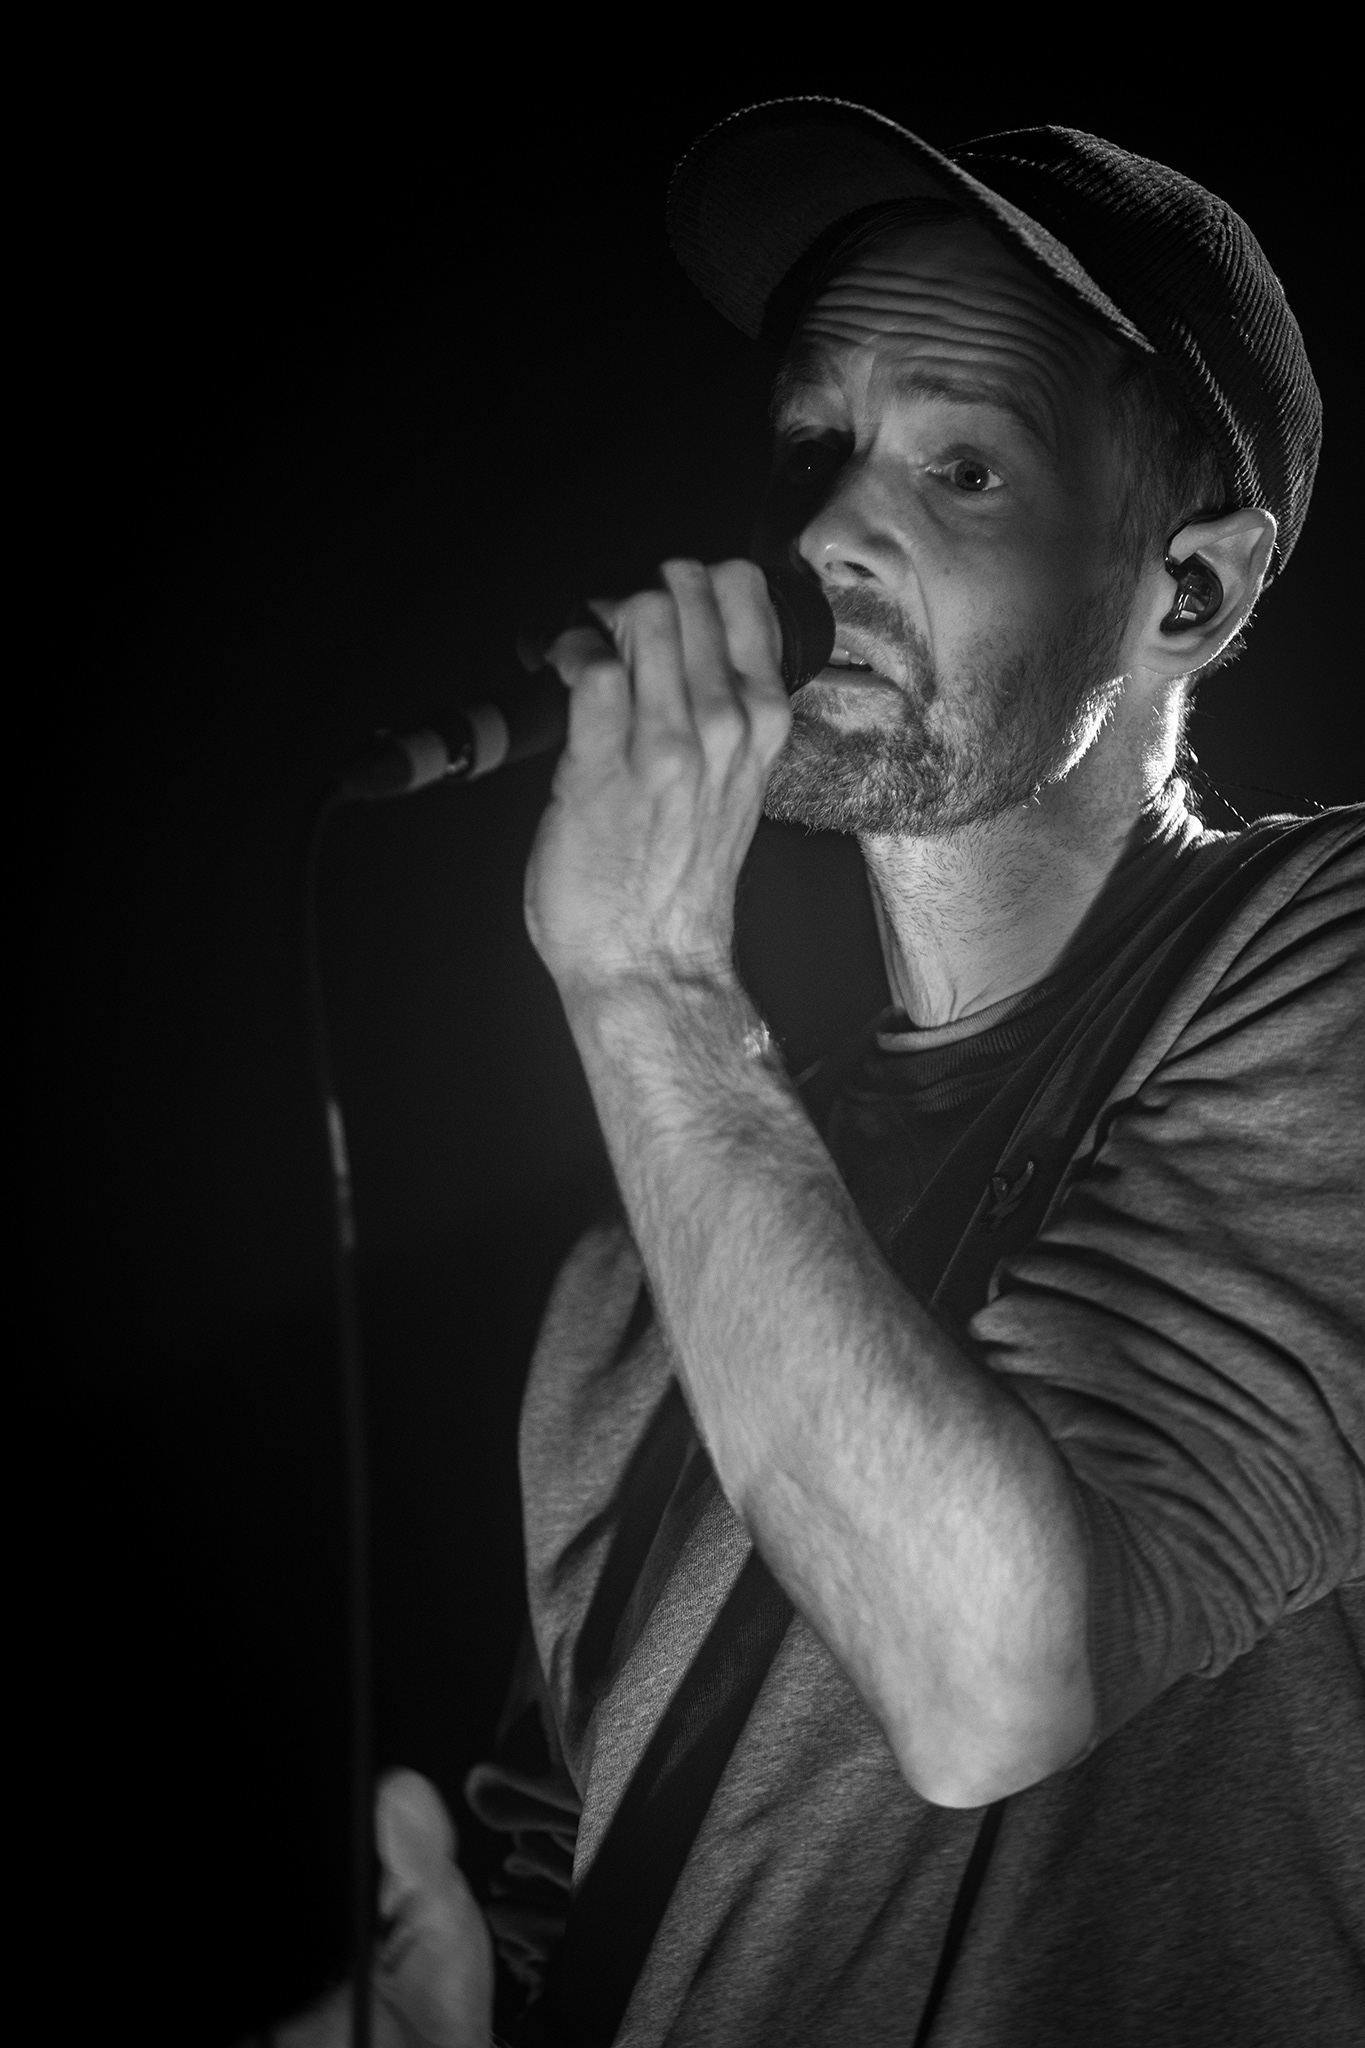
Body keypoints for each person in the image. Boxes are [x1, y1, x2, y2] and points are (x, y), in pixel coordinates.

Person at [276, 101, 1363, 2047]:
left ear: (1185, 590)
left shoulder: (1325, 954)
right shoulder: (651, 1256)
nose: (825, 534)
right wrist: (456, 2007)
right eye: (810, 449)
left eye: (961, 466)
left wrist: (642, 978)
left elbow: (992, 1675)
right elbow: (584, 1868)